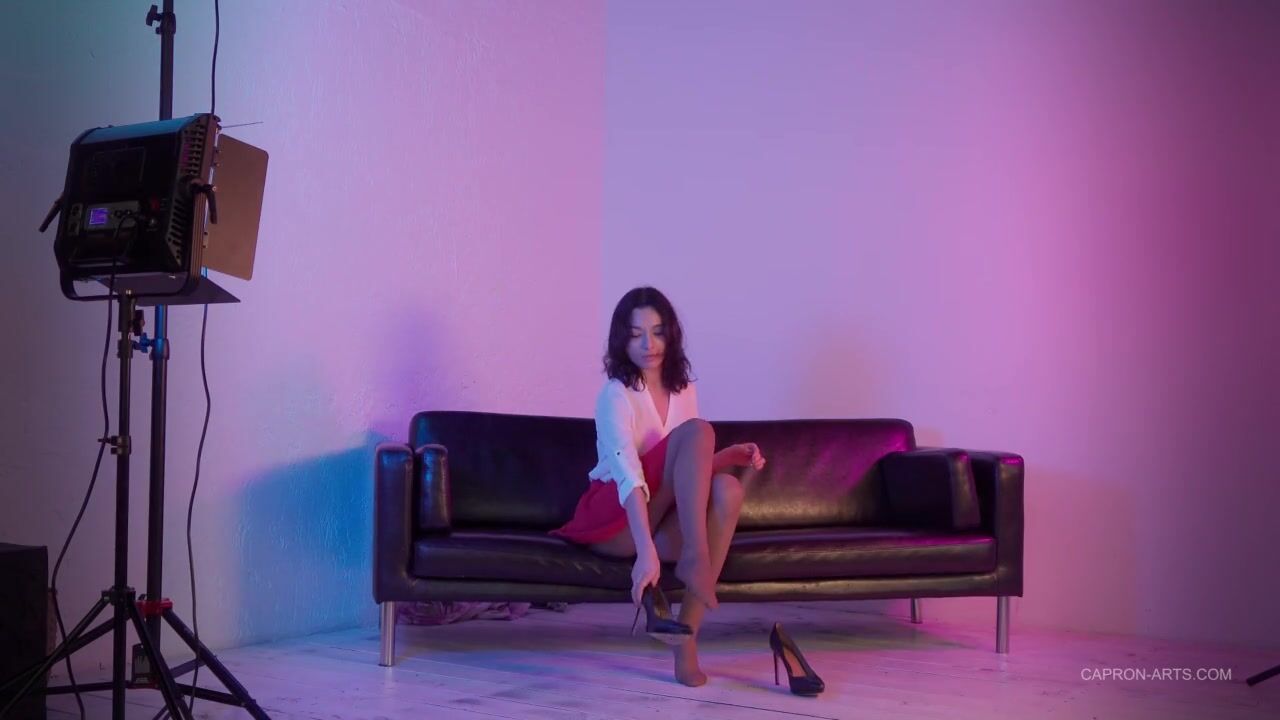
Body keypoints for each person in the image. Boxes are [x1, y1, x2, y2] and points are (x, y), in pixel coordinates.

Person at [550, 286, 765, 687]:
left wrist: (725, 457)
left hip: (658, 510)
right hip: (615, 518)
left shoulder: (684, 389)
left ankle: (687, 640)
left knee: (728, 489)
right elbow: (630, 475)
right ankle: (697, 558)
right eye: (636, 334)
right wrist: (646, 551)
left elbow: (684, 470)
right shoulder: (615, 394)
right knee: (699, 431)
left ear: (671, 334)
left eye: (658, 332)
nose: (649, 345)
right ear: (622, 340)